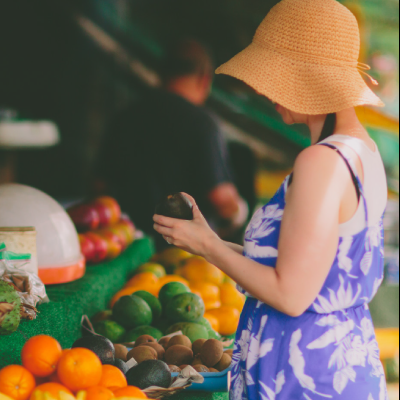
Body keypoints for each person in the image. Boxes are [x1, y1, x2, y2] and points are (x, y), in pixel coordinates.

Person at [154, 0, 389, 398]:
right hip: (342, 368)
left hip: (301, 376)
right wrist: (206, 239)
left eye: (275, 76)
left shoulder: (320, 160)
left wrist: (209, 247)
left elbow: (290, 294)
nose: (262, 89)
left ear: (308, 78)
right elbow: (307, 269)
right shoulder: (362, 151)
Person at [96, 39, 248, 248]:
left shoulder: (125, 117)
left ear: (161, 73)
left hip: (129, 245)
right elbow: (220, 197)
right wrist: (239, 212)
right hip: (186, 254)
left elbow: (99, 186)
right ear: (205, 78)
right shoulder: (202, 123)